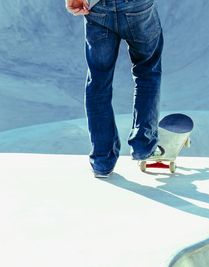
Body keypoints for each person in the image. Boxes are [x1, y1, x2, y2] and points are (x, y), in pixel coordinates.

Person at [65, 0, 164, 178]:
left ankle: (102, 160)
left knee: (98, 80)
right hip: (138, 8)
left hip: (97, 8)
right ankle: (144, 144)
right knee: (147, 71)